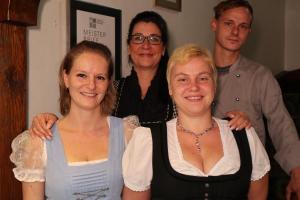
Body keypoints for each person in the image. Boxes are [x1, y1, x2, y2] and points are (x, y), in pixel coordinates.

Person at [30, 11, 251, 139]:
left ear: (164, 48)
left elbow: (205, 122)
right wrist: (50, 120)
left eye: (154, 39)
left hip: (167, 180)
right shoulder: (109, 87)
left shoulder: (180, 88)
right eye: (138, 38)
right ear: (128, 47)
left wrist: (237, 122)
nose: (146, 45)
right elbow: (81, 122)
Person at [122, 44, 270, 199]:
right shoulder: (147, 141)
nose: (194, 87)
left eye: (203, 78)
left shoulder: (244, 134)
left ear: (214, 85)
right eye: (183, 79)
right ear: (170, 88)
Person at [10, 41, 137, 199]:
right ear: (66, 78)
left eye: (100, 77)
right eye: (82, 75)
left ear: (108, 83)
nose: (91, 85)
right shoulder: (38, 141)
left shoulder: (128, 133)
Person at [210, 0, 300, 199]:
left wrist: (297, 170)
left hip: (250, 179)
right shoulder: (197, 72)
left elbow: (281, 123)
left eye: (243, 26)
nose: (235, 32)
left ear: (249, 32)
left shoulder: (260, 76)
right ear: (214, 24)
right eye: (229, 23)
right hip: (204, 175)